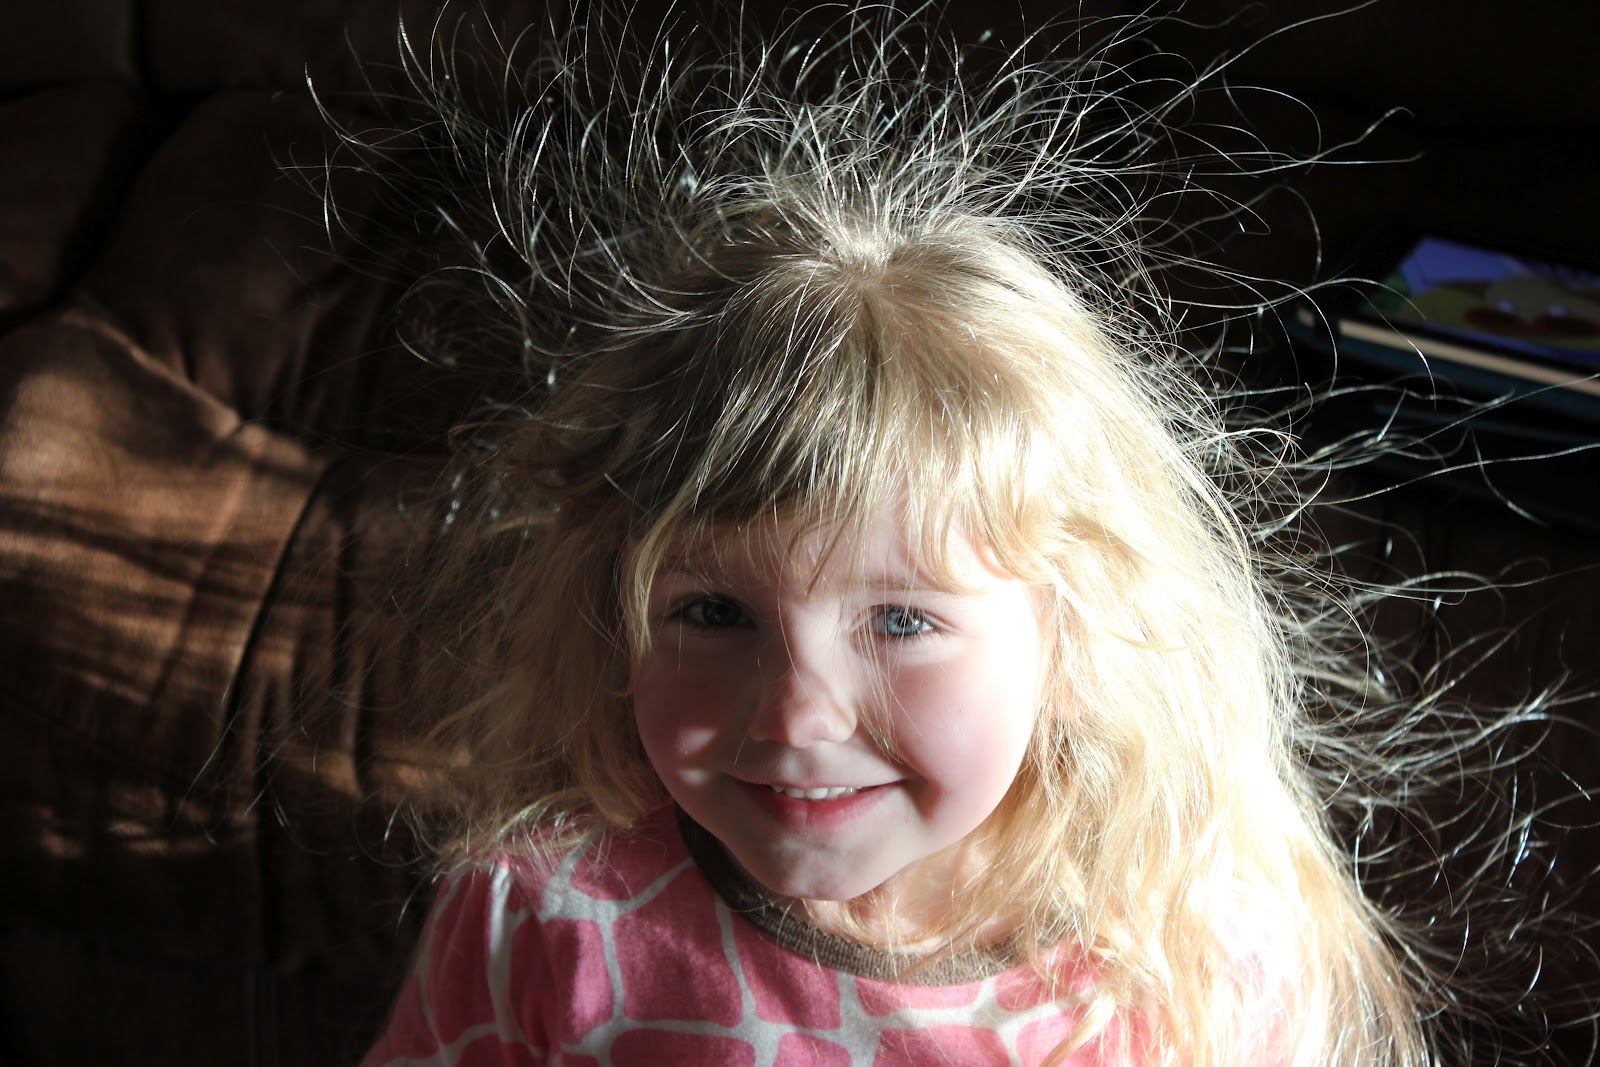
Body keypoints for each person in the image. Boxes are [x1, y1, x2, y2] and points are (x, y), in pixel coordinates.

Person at [343, 7, 1470, 1065]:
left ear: (1074, 637)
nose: (795, 714)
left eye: (899, 618)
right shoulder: (550, 911)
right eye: (713, 611)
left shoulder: (1193, 948)